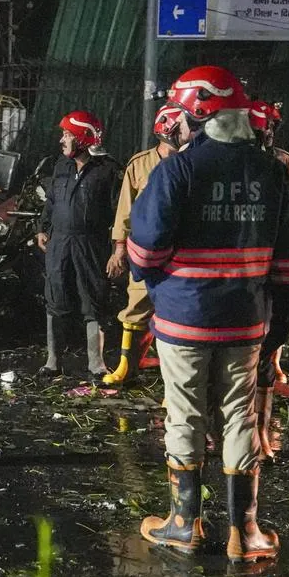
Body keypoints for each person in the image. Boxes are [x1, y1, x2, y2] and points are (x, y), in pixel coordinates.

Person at [130, 65, 289, 562]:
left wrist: (164, 282)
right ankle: (244, 533)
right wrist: (280, 326)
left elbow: (143, 253)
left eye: (181, 113)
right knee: (240, 416)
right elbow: (287, 261)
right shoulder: (273, 171)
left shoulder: (178, 169)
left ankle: (184, 525)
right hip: (246, 320)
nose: (175, 122)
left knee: (184, 414)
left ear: (200, 111)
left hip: (184, 319)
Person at [35, 111, 123, 379]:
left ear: (84, 138)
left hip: (91, 245)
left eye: (67, 135)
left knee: (93, 299)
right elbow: (51, 202)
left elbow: (120, 213)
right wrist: (42, 228)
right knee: (56, 297)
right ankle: (52, 361)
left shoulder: (108, 171)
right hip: (59, 242)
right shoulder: (61, 165)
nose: (62, 140)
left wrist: (118, 250)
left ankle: (95, 364)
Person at [102, 105, 186, 386]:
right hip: (146, 251)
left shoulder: (194, 162)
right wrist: (119, 248)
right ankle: (127, 365)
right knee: (136, 303)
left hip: (181, 253)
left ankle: (173, 377)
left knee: (178, 313)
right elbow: (125, 210)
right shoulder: (139, 164)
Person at [250, 100, 289, 428]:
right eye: (260, 127)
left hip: (276, 258)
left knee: (274, 328)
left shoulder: (284, 162)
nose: (265, 132)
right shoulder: (243, 163)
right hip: (246, 264)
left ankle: (262, 430)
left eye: (270, 127)